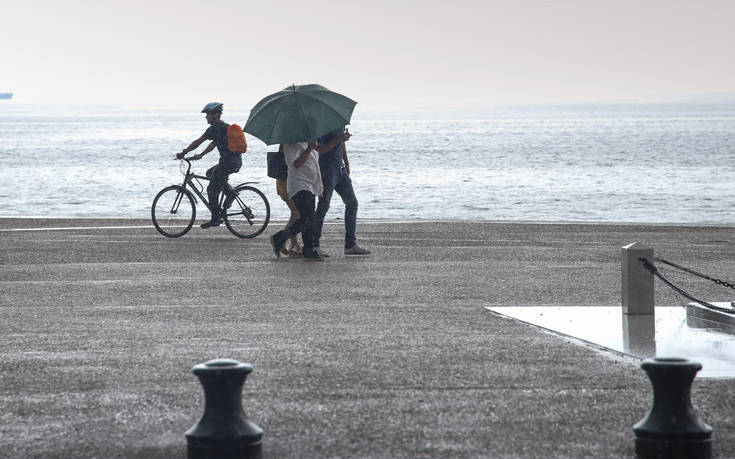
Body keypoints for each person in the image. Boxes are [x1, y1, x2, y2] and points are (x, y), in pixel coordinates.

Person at [176, 102, 241, 228]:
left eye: (208, 114)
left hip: (228, 163)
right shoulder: (223, 127)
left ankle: (216, 219)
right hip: (233, 161)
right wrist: (201, 155)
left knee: (211, 190)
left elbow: (198, 141)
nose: (206, 117)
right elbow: (213, 144)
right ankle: (229, 193)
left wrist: (184, 152)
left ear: (215, 115)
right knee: (210, 173)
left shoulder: (215, 127)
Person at [312, 127, 370, 256]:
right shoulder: (321, 126)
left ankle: (350, 244)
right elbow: (319, 150)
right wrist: (339, 139)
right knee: (323, 206)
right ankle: (314, 245)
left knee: (352, 203)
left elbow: (342, 144)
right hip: (326, 169)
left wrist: (347, 162)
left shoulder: (339, 122)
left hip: (340, 169)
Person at [270, 140, 324, 261]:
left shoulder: (309, 141)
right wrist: (310, 148)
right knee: (307, 219)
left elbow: (315, 163)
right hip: (299, 184)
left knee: (307, 219)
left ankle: (308, 249)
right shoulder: (291, 143)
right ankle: (281, 238)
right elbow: (296, 163)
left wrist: (319, 187)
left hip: (311, 184)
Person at [275, 144, 302, 257]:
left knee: (295, 213)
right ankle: (281, 240)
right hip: (287, 181)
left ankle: (294, 245)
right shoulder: (287, 144)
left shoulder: (285, 143)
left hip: (285, 180)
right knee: (296, 212)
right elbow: (290, 162)